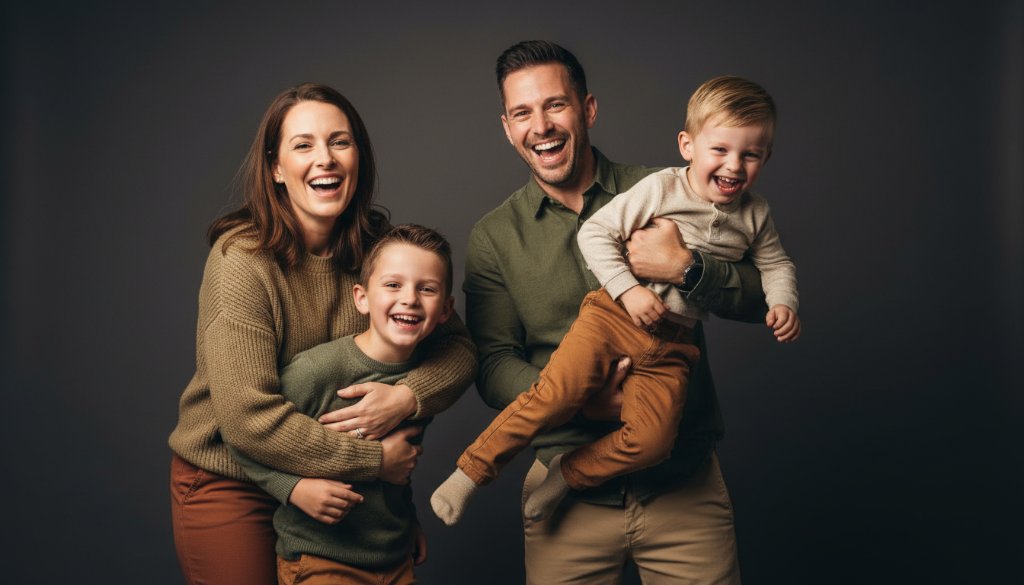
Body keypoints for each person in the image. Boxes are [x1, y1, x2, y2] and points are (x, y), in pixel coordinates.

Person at [448, 41, 768, 584]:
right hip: (565, 507)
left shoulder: (675, 187)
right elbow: (493, 361)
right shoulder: (494, 237)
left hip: (683, 490)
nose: (541, 125)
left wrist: (686, 268)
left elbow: (764, 300)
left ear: (587, 110)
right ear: (507, 127)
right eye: (523, 112)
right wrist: (580, 399)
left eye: (556, 105)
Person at [167, 84, 476, 585]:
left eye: (340, 142)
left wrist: (404, 399)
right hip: (231, 475)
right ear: (275, 168)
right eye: (303, 145)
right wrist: (375, 460)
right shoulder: (241, 261)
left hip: (338, 487)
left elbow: (459, 350)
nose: (325, 160)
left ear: (360, 158)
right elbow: (247, 420)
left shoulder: (382, 254)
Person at [228, 224, 458, 585]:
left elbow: (401, 465)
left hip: (394, 556)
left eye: (426, 289)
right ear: (361, 298)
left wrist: (407, 519)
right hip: (322, 557)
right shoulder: (320, 370)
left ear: (445, 310)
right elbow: (242, 440)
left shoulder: (422, 380)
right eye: (393, 285)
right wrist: (294, 488)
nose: (410, 299)